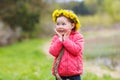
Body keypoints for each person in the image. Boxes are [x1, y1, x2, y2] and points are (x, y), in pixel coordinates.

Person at [49, 9, 84, 80]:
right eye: (58, 24)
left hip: (74, 74)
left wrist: (66, 41)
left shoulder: (78, 37)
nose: (60, 26)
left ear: (72, 25)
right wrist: (59, 40)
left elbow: (77, 50)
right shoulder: (56, 38)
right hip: (60, 74)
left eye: (63, 24)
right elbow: (53, 52)